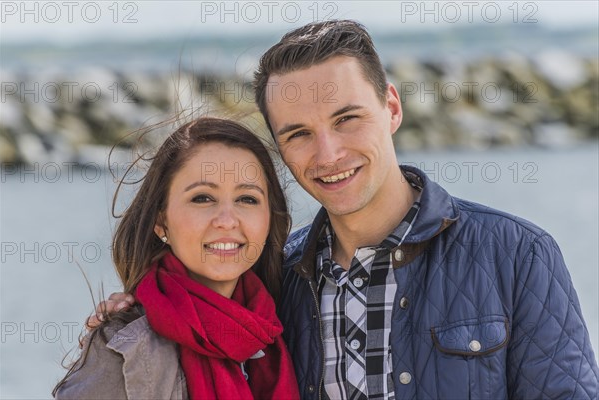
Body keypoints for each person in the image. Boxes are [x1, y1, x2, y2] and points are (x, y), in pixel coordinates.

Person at [89, 20, 599, 399]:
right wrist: (132, 314)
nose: (328, 154)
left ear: (392, 108)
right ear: (281, 149)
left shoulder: (516, 255)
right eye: (299, 134)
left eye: (347, 119)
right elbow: (199, 319)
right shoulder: (274, 279)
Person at [53, 117, 300, 399]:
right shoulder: (126, 348)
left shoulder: (287, 321)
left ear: (270, 217)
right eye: (202, 198)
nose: (227, 220)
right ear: (161, 221)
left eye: (247, 199)